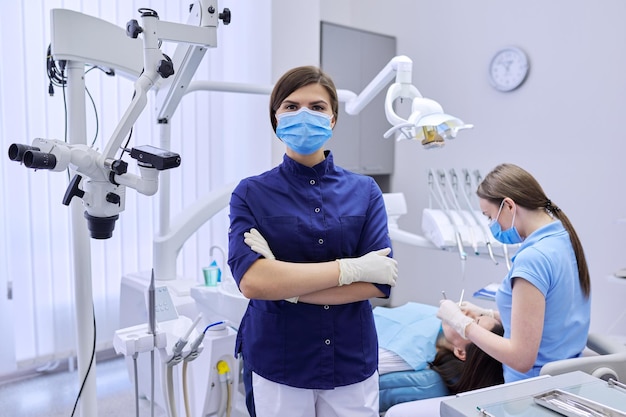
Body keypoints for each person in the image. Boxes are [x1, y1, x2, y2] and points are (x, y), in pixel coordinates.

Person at [227, 65, 398, 417]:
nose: (304, 114)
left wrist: (285, 284)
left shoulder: (365, 191)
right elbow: (253, 282)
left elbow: (378, 282)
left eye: (317, 107)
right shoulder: (250, 193)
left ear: (333, 118)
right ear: (275, 119)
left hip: (351, 358)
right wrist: (350, 268)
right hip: (280, 358)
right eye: (291, 106)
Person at [437, 163, 591, 383]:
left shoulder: (533, 259)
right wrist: (489, 314)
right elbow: (551, 319)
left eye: (490, 217)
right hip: (565, 383)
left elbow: (521, 358)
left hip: (530, 391)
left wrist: (462, 324)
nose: (492, 226)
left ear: (509, 206)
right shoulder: (563, 240)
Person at [374, 302, 503, 412]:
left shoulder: (425, 380)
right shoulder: (434, 320)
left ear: (461, 352)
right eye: (480, 314)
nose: (468, 312)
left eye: (473, 322)